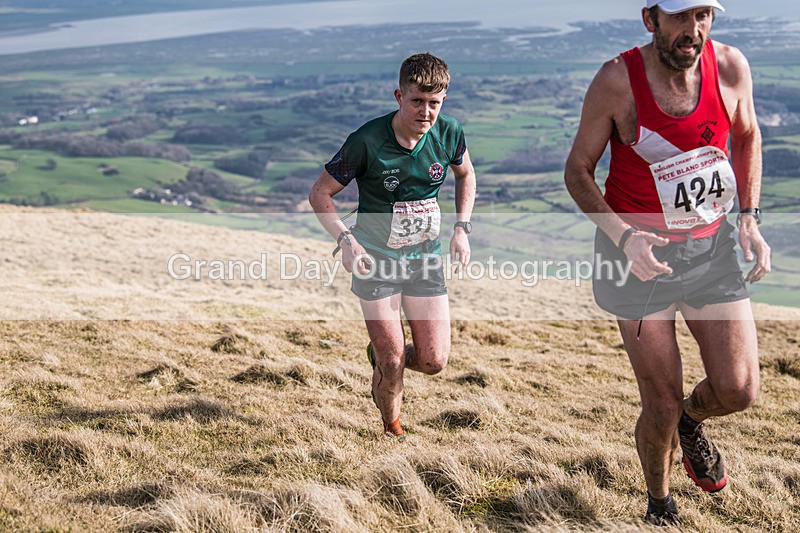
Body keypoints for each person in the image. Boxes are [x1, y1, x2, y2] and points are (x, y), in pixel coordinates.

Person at [564, 0, 770, 526]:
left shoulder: (729, 67)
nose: (692, 30)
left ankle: (692, 423)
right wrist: (625, 236)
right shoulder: (617, 80)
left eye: (703, 15)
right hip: (635, 259)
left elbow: (746, 135)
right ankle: (660, 503)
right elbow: (579, 172)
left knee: (740, 388)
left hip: (710, 249)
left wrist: (749, 217)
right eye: (680, 17)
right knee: (659, 402)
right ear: (650, 18)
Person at [308, 53, 476, 442]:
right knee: (393, 358)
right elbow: (320, 194)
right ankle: (391, 430)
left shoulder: (449, 132)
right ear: (399, 96)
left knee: (434, 361)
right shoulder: (367, 141)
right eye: (417, 101)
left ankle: (383, 358)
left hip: (424, 258)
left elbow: (466, 174)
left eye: (434, 102)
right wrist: (345, 241)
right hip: (375, 260)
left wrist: (462, 228)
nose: (426, 111)